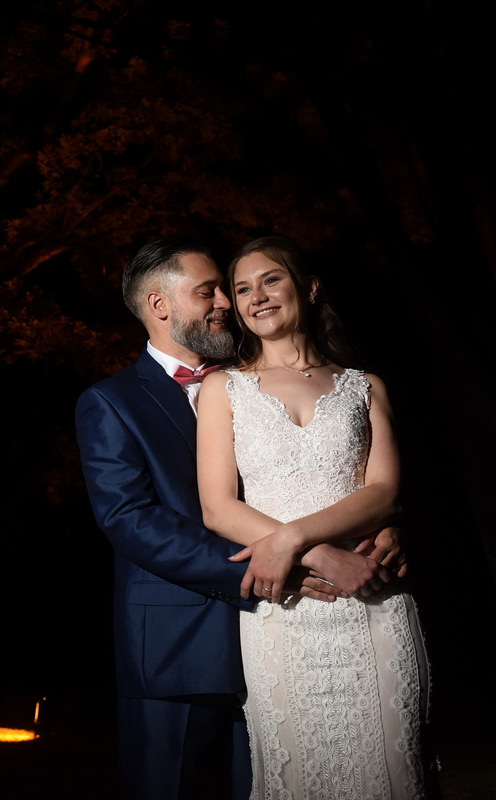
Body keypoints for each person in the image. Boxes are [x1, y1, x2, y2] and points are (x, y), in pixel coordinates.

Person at [75, 236, 394, 800]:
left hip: (287, 635)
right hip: (182, 649)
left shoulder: (253, 382)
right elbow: (131, 520)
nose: (226, 301)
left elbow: (325, 475)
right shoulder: (112, 401)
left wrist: (377, 529)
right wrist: (282, 561)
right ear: (160, 306)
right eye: (209, 291)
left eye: (227, 288)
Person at [196, 236, 430, 799]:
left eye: (271, 280)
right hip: (284, 609)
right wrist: (308, 554)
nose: (257, 297)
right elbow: (217, 507)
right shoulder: (224, 387)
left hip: (373, 602)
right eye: (243, 288)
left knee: (393, 772)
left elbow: (386, 494)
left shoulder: (364, 386)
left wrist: (295, 535)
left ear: (310, 286)